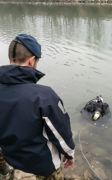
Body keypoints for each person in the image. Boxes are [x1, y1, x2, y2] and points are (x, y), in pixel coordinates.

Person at [0, 34, 75, 180]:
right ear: (32, 60)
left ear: (10, 58)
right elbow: (61, 132)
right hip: (42, 168)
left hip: (11, 161)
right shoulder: (44, 96)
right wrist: (69, 154)